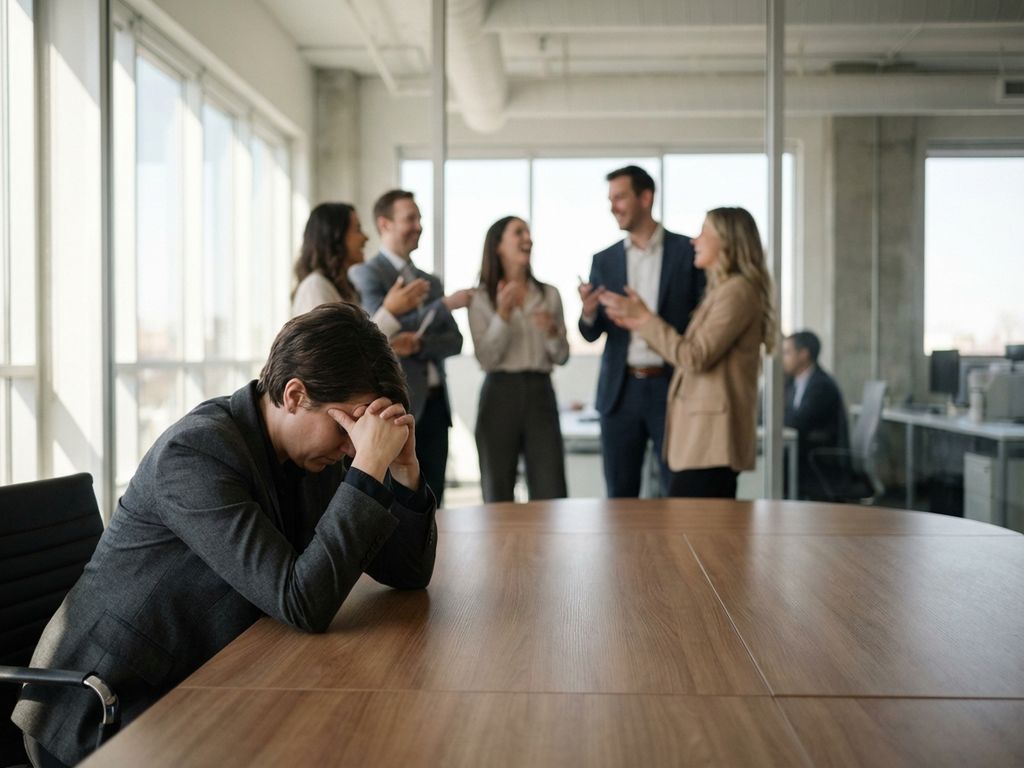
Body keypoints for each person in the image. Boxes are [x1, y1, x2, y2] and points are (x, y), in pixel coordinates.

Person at [13, 304, 438, 768]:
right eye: (348, 425)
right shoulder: (196, 453)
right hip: (106, 709)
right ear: (295, 395)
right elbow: (302, 602)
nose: (354, 445)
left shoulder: (313, 454)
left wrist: (402, 470)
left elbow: (409, 573)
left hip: (211, 678)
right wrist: (365, 470)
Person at [600, 206, 777, 499]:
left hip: (711, 442)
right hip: (703, 442)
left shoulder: (737, 292)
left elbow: (694, 356)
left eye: (704, 232)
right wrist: (638, 320)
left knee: (697, 535)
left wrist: (645, 319)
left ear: (728, 241)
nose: (694, 241)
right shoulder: (724, 291)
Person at [578, 165, 705, 498]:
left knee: (677, 489)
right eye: (610, 199)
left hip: (672, 387)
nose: (612, 207)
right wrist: (589, 313)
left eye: (620, 197)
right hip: (620, 393)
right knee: (619, 496)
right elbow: (591, 334)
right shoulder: (603, 260)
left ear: (645, 197)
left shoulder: (688, 252)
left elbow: (701, 321)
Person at [350, 190, 472, 508]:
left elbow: (454, 341)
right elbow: (377, 331)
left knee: (436, 501)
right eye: (410, 219)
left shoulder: (429, 281)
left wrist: (416, 342)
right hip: (399, 406)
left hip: (436, 406)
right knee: (400, 502)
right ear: (384, 224)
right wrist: (441, 308)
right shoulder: (366, 274)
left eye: (419, 219)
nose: (418, 226)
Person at [469, 216, 569, 502]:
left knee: (551, 489)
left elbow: (561, 356)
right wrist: (502, 315)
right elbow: (486, 359)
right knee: (497, 488)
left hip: (541, 393)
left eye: (528, 232)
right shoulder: (480, 299)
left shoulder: (549, 294)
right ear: (498, 245)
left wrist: (552, 332)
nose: (528, 238)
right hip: (499, 393)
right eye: (518, 232)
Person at [290, 202, 428, 359]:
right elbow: (327, 357)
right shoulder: (315, 287)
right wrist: (389, 311)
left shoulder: (344, 288)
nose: (366, 237)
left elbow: (348, 346)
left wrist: (391, 346)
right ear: (336, 237)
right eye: (357, 229)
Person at [783, 330, 850, 500]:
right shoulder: (791, 382)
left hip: (818, 460)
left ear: (803, 354)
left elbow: (798, 421)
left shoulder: (822, 385)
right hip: (802, 455)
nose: (783, 358)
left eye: (787, 352)